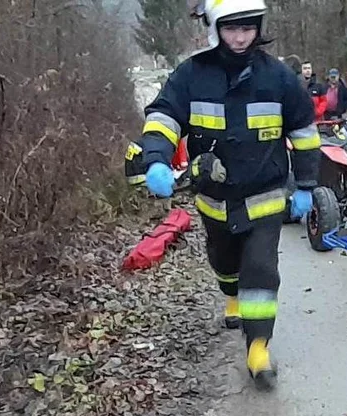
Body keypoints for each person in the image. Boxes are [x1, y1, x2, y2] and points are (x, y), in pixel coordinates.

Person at [130, 0, 321, 389]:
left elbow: (304, 135)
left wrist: (306, 187)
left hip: (265, 195)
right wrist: (156, 161)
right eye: (232, 28)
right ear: (216, 28)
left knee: (261, 268)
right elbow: (164, 117)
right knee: (223, 260)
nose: (240, 37)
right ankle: (230, 297)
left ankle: (258, 348)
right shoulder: (192, 75)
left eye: (248, 28)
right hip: (214, 198)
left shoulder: (280, 78)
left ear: (258, 28)